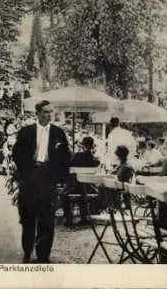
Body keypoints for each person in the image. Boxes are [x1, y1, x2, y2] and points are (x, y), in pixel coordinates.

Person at [12, 100, 71, 263]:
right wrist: (26, 173)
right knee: (28, 218)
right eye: (45, 112)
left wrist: (59, 179)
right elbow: (17, 154)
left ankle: (43, 256)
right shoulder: (26, 132)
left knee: (47, 219)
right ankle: (27, 251)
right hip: (30, 178)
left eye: (51, 112)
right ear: (37, 113)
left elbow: (66, 157)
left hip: (49, 179)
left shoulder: (59, 133)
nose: (49, 115)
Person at [63, 136, 100, 226]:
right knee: (81, 188)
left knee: (64, 194)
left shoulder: (77, 156)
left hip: (74, 187)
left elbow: (69, 168)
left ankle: (69, 218)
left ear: (83, 145)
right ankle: (84, 217)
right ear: (92, 146)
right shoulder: (95, 160)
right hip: (90, 188)